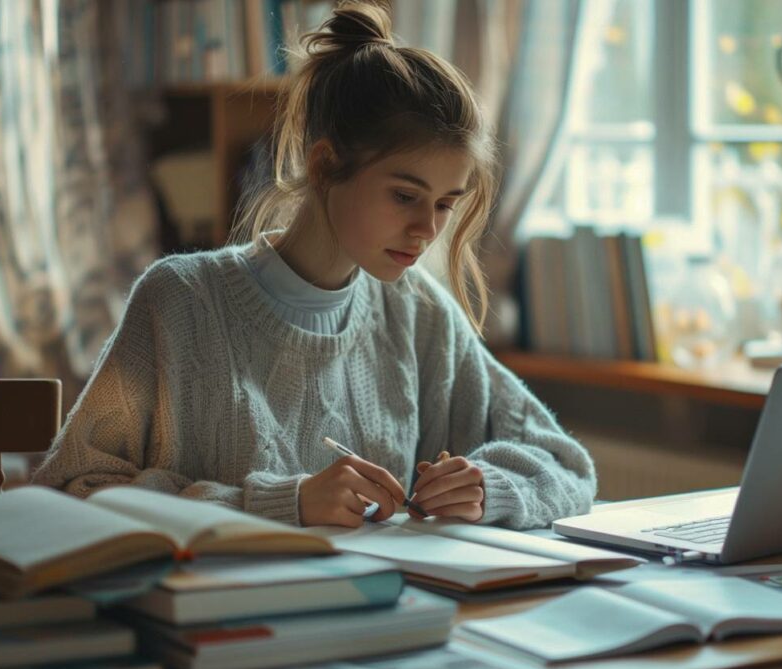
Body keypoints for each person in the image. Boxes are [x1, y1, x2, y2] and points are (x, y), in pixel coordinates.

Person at [32, 1, 596, 530]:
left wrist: (487, 487)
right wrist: (288, 503)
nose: (427, 229)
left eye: (446, 204)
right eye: (405, 196)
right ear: (325, 165)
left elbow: (567, 465)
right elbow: (72, 488)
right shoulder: (179, 302)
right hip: (215, 624)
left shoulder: (419, 313)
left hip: (383, 618)